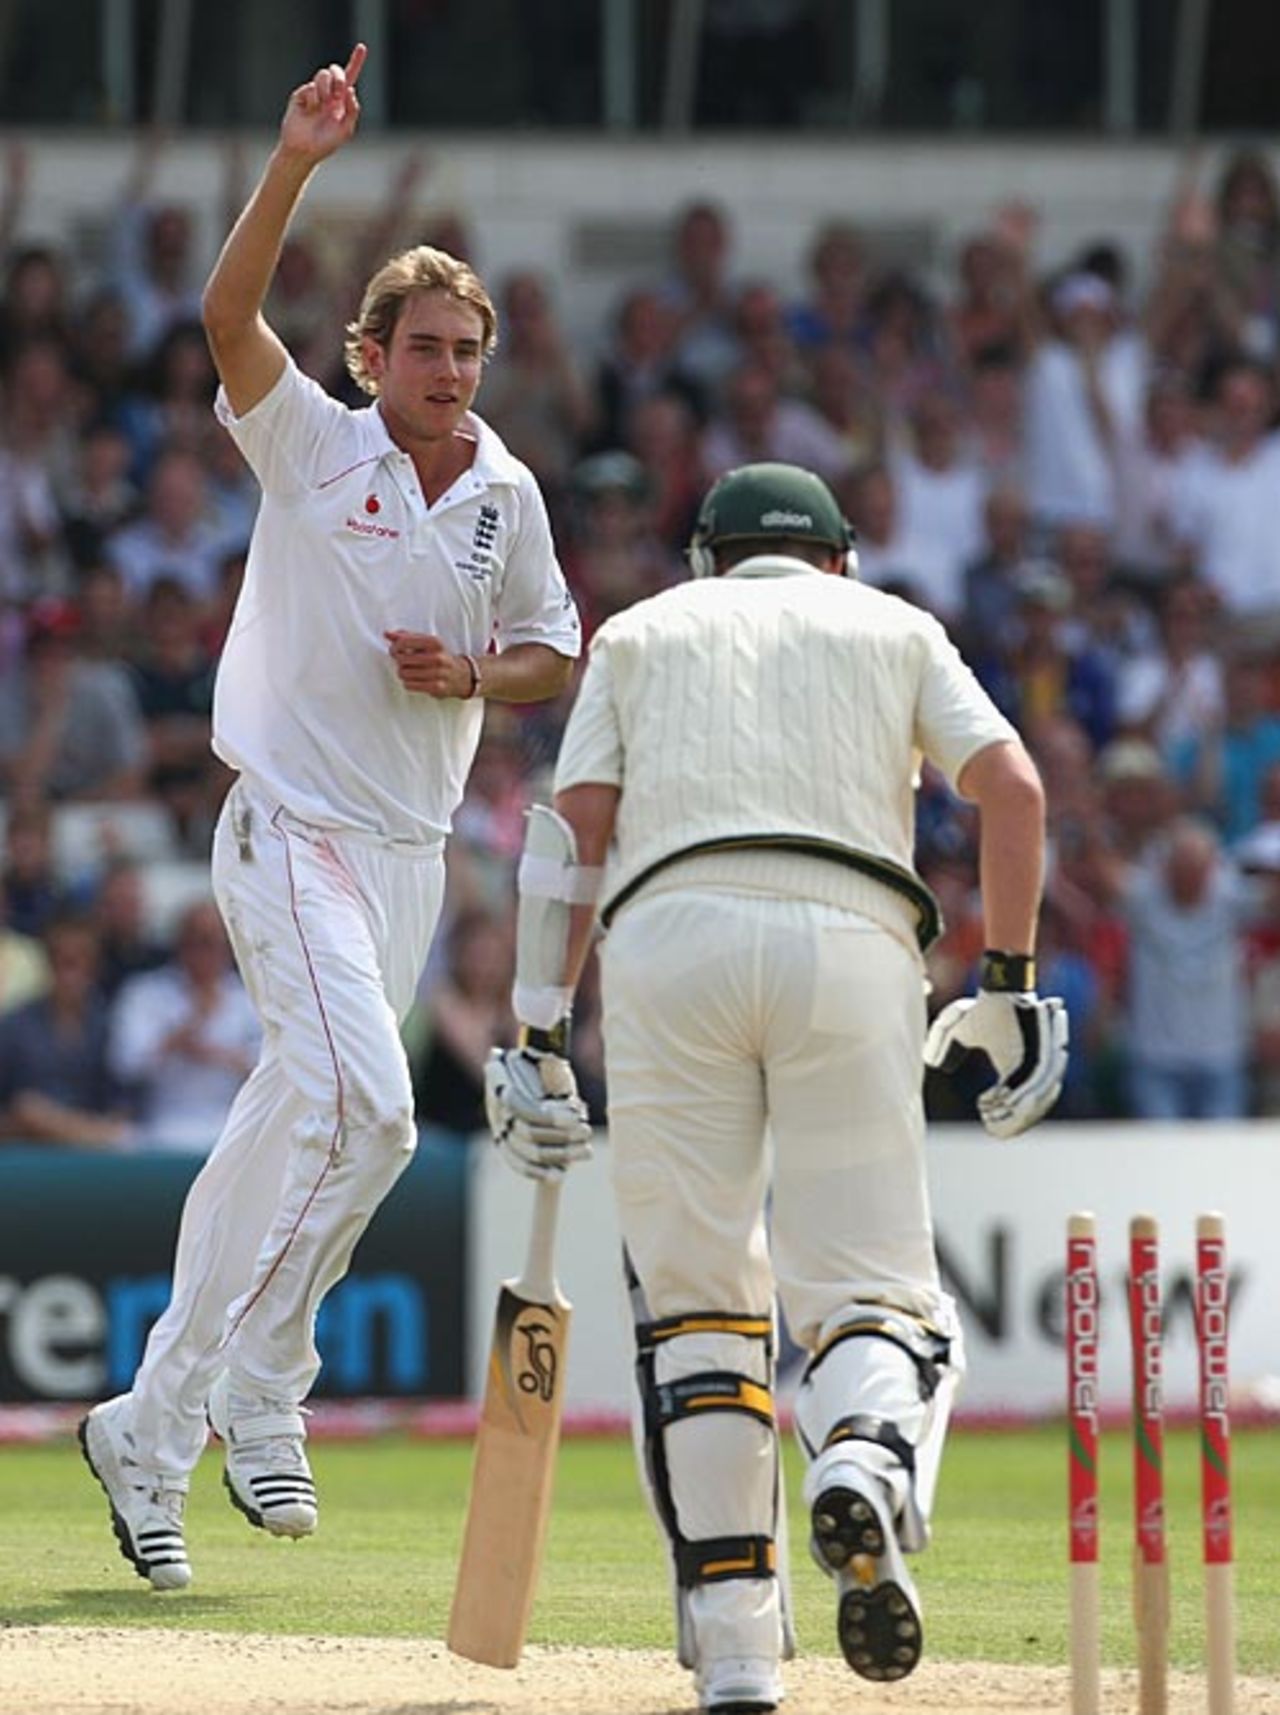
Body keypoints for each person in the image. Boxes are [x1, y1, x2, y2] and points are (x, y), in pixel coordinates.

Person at [78, 42, 581, 1594]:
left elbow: (557, 648)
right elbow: (225, 319)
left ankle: (142, 1428)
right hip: (288, 827)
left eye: (467, 350)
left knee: (270, 1149)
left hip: (409, 857)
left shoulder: (506, 491)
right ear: (370, 356)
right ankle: (250, 1389)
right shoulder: (311, 439)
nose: (448, 371)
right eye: (423, 346)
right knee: (372, 1112)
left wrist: (472, 674)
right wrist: (297, 161)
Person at [482, 462, 1067, 1712]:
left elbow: (570, 830)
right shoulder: (895, 624)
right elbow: (1011, 787)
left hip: (665, 942)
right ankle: (856, 1454)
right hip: (851, 938)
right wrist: (1009, 982)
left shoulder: (639, 632)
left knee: (695, 1308)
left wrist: (535, 1028)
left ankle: (738, 1649)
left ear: (705, 560)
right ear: (837, 560)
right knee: (870, 1294)